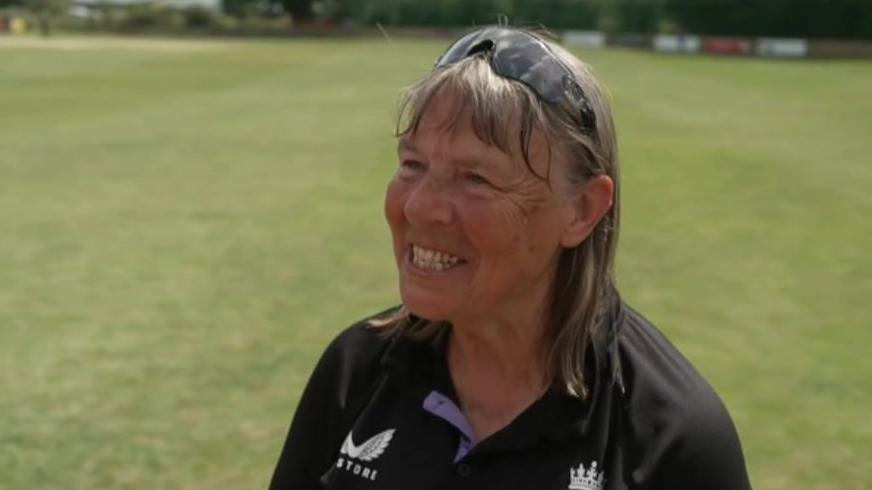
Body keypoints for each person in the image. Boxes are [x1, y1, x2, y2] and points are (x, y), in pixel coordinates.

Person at [269, 26, 751, 490]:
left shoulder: (673, 439)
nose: (418, 206)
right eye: (412, 165)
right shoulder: (356, 370)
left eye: (475, 179)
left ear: (582, 210)